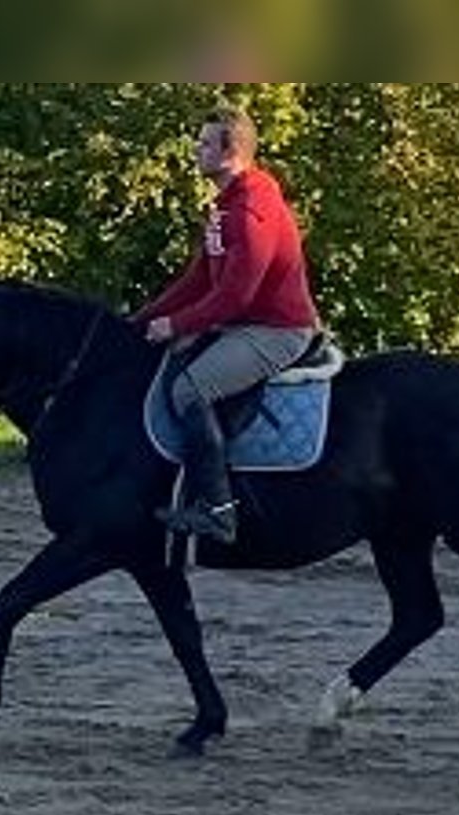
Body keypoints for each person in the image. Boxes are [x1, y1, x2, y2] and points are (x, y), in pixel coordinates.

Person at [132, 106, 321, 544]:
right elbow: (198, 279)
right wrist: (141, 321)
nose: (196, 151)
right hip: (243, 322)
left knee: (190, 389)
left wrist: (176, 323)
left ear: (230, 151)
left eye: (204, 144)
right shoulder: (225, 205)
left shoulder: (252, 210)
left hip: (277, 330)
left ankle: (218, 511)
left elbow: (238, 295)